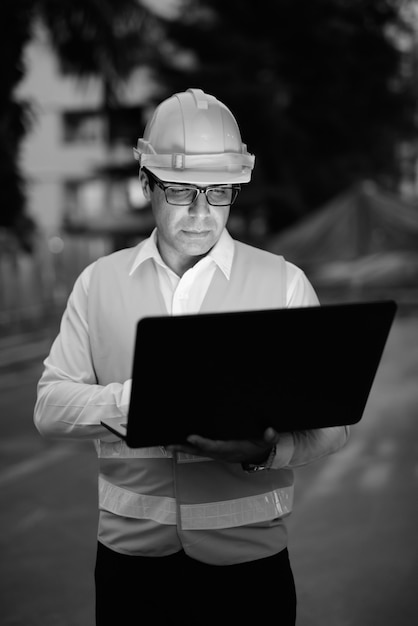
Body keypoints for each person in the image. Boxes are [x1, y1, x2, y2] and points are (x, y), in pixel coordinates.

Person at [34, 88, 349, 626]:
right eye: (181, 192)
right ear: (145, 184)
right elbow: (49, 407)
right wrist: (142, 401)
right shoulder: (98, 283)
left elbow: (333, 424)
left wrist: (263, 452)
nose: (203, 214)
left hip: (249, 571)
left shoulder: (283, 283)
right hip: (131, 569)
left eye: (219, 192)